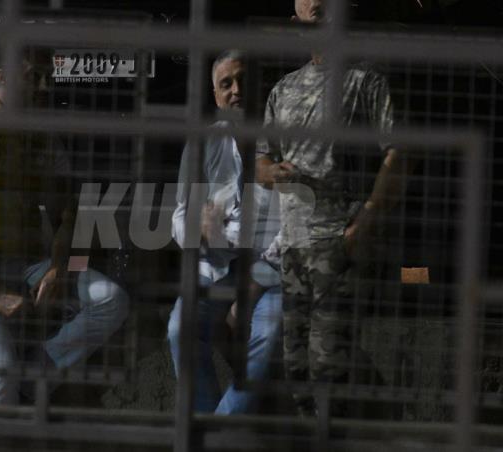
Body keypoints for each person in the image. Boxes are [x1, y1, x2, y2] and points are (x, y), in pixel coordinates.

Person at [0, 50, 128, 406]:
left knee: (112, 300)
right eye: (33, 77)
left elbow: (69, 215)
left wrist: (60, 269)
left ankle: (34, 378)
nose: (44, 87)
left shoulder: (43, 137)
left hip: (25, 263)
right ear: (3, 78)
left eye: (49, 78)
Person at [255, 0, 411, 416]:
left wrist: (364, 224)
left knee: (327, 367)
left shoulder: (366, 80)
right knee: (297, 368)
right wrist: (274, 172)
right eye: (315, 14)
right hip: (294, 246)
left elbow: (399, 155)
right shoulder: (283, 89)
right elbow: (261, 162)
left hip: (338, 244)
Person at [167, 50, 283, 414]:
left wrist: (250, 291)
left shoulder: (285, 139)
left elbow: (296, 229)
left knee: (269, 333)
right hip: (218, 267)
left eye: (243, 81)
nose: (236, 91)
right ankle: (206, 420)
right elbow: (178, 217)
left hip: (271, 272)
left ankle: (217, 428)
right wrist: (198, 227)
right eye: (226, 84)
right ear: (216, 96)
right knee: (180, 330)